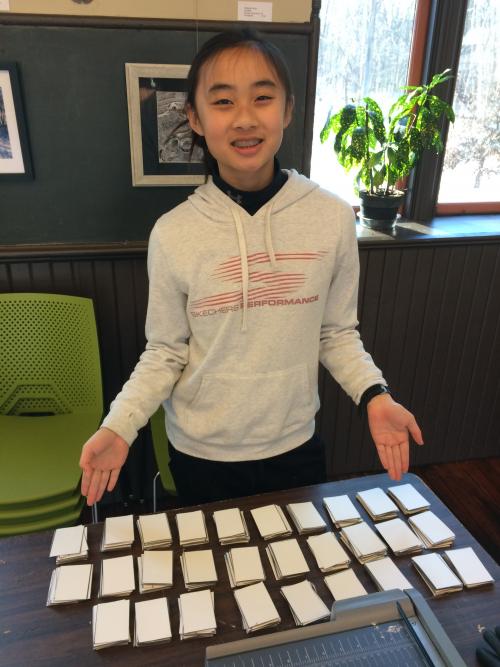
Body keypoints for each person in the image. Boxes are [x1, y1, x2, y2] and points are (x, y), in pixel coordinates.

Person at [79, 29, 423, 507]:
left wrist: (375, 395)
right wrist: (119, 425)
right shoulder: (173, 233)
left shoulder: (330, 218)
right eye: (223, 102)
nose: (244, 118)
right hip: (200, 454)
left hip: (294, 445)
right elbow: (165, 352)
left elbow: (336, 332)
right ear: (195, 118)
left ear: (287, 110)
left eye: (262, 98)